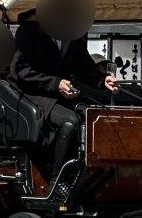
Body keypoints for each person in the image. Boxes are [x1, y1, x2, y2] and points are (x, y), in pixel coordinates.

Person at [11, 11, 118, 173]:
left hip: (58, 95)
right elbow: (21, 71)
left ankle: (85, 171)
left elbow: (85, 67)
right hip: (29, 95)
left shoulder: (72, 36)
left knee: (91, 116)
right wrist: (56, 83)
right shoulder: (28, 31)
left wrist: (103, 80)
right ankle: (57, 178)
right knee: (70, 121)